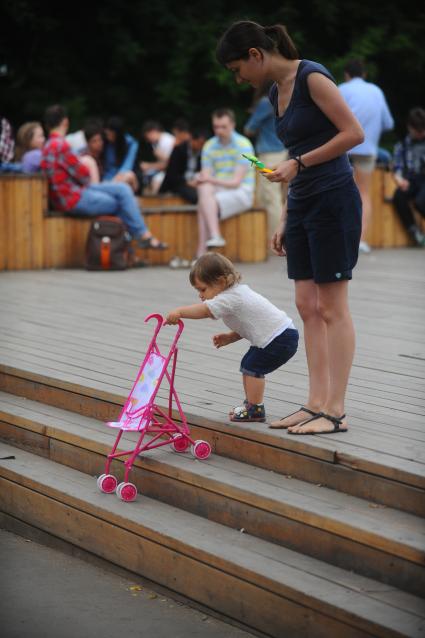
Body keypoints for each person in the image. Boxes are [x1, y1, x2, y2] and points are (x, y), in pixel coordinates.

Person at [216, 20, 364, 435]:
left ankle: (335, 411)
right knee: (306, 305)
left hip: (333, 198)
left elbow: (353, 133)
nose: (238, 77)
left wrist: (298, 164)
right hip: (300, 203)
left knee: (332, 307)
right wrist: (284, 214)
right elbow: (295, 153)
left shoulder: (311, 77)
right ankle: (315, 403)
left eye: (236, 68)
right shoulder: (272, 91)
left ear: (255, 55)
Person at [165, 252, 298, 422]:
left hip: (279, 338)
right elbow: (251, 323)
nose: (200, 295)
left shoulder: (229, 298)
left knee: (253, 367)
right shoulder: (237, 293)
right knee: (249, 365)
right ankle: (251, 403)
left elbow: (205, 310)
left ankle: (255, 408)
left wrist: (180, 312)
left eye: (203, 289)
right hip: (282, 334)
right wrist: (231, 337)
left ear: (220, 282)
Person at [40, 104, 167, 249]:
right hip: (73, 198)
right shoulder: (61, 145)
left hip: (67, 195)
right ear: (65, 122)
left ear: (47, 124)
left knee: (123, 190)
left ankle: (141, 239)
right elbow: (83, 174)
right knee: (122, 200)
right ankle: (141, 239)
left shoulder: (48, 145)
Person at [339, 59, 394, 253]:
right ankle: (360, 241)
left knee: (338, 191)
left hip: (342, 148)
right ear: (365, 74)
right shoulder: (376, 91)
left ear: (346, 74)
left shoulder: (341, 89)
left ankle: (339, 237)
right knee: (363, 193)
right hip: (367, 148)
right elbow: (388, 123)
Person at [196, 108, 255, 256]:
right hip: (219, 191)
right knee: (204, 189)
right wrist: (203, 179)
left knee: (204, 203)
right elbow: (207, 176)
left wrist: (207, 179)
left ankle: (202, 252)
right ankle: (215, 237)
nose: (219, 130)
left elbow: (236, 182)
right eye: (216, 126)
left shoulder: (243, 144)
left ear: (233, 125)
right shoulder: (209, 145)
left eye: (223, 126)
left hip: (242, 191)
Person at [244, 82, 288, 240]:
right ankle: (273, 238)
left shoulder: (265, 102)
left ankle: (275, 239)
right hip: (282, 150)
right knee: (273, 196)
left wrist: (254, 114)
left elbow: (249, 128)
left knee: (270, 197)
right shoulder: (281, 99)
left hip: (270, 153)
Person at [391, 107, 425, 246]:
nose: (421, 134)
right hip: (411, 179)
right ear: (410, 128)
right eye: (417, 131)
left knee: (420, 201)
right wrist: (399, 180)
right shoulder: (402, 146)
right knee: (398, 196)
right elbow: (397, 168)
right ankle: (414, 232)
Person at [159, 127, 208, 203]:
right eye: (199, 143)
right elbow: (172, 174)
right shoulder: (179, 150)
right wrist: (187, 182)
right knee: (195, 196)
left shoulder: (204, 153)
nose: (201, 146)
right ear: (192, 139)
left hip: (196, 182)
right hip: (179, 183)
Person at [103, 116, 139, 192]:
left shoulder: (131, 143)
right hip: (108, 178)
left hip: (124, 177)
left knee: (128, 175)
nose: (108, 134)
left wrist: (112, 183)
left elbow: (126, 167)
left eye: (111, 132)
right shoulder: (105, 142)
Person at [140, 121, 175, 194]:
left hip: (171, 172)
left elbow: (169, 164)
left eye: (148, 137)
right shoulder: (156, 143)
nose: (148, 140)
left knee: (156, 180)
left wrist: (149, 166)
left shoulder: (167, 141)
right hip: (163, 170)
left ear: (153, 131)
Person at [79, 119, 105, 184]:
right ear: (88, 143)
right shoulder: (85, 158)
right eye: (94, 141)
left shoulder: (104, 153)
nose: (98, 144)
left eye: (100, 140)